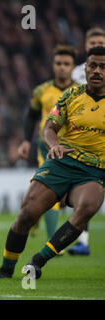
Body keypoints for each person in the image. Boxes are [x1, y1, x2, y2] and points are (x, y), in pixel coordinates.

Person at [0, 46, 105, 279]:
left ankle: (38, 261)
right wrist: (55, 146)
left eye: (103, 67)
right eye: (92, 65)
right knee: (27, 214)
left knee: (88, 208)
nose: (97, 71)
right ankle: (6, 268)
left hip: (93, 171)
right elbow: (48, 128)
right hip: (61, 162)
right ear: (86, 67)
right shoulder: (71, 96)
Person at [17, 45, 78, 243]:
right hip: (47, 145)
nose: (62, 67)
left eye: (66, 64)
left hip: (73, 146)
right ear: (53, 65)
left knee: (64, 195)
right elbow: (31, 116)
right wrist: (26, 140)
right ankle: (52, 239)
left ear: (73, 67)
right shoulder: (41, 91)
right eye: (58, 63)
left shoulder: (80, 92)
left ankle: (34, 218)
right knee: (51, 190)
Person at [68, 27, 105, 256]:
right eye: (93, 42)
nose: (96, 45)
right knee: (85, 195)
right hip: (85, 142)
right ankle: (83, 241)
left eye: (100, 41)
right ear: (86, 46)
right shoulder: (75, 74)